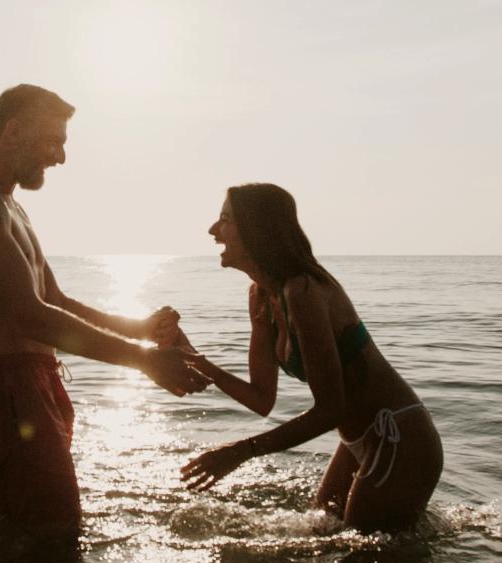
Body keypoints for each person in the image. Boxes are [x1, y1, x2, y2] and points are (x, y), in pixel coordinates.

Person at [0, 84, 208, 538]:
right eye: (53, 141)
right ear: (15, 130)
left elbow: (55, 302)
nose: (60, 157)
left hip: (37, 379)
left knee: (49, 525)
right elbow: (29, 316)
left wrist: (139, 329)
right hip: (9, 387)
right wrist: (143, 361)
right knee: (47, 532)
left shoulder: (11, 208)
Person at [169, 183, 442, 532]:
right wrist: (189, 354)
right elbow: (261, 398)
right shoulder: (261, 298)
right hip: (357, 440)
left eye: (225, 219)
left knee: (367, 562)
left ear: (258, 229)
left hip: (398, 437)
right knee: (324, 530)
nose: (213, 230)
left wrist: (237, 452)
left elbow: (331, 409)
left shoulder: (303, 291)